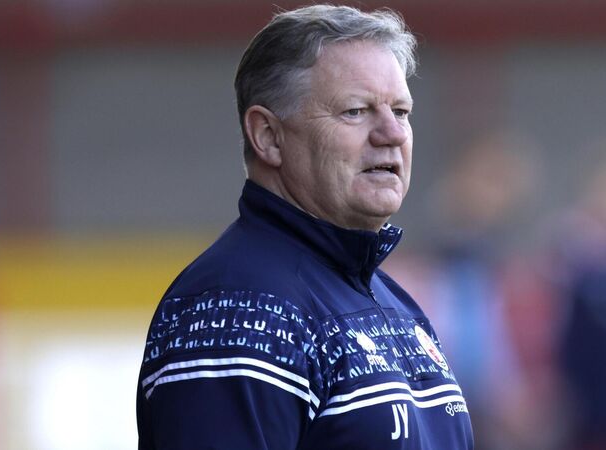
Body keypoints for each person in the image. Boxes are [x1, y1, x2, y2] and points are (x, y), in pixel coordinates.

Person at [136, 5, 473, 450]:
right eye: (355, 111)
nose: (392, 133)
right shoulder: (238, 311)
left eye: (401, 111)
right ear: (268, 136)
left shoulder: (394, 305)